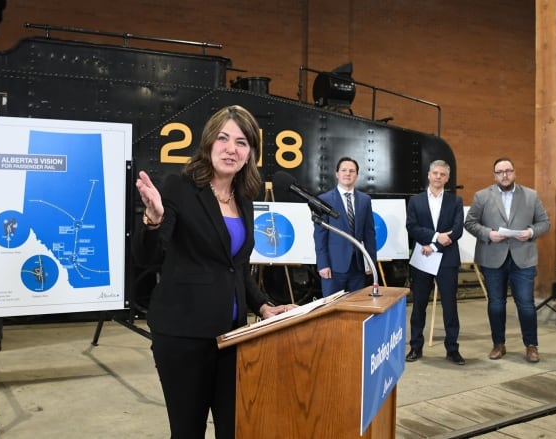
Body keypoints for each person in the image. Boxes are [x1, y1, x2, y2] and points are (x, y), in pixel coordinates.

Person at [132, 105, 291, 439]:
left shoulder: (245, 198)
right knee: (188, 431)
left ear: (250, 154)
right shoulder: (179, 188)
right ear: (208, 143)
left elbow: (236, 268)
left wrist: (263, 305)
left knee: (235, 428)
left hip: (232, 335)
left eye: (242, 142)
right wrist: (154, 218)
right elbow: (147, 257)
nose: (231, 148)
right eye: (223, 138)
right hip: (183, 335)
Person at [464, 157, 550, 363]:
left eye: (508, 171)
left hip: (523, 258)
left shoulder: (531, 195)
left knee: (526, 304)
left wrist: (530, 232)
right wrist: (488, 234)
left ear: (514, 172)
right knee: (496, 304)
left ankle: (531, 345)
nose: (505, 175)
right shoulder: (482, 196)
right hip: (493, 257)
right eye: (500, 172)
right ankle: (498, 344)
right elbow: (470, 223)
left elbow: (544, 222)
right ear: (494, 175)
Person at [405, 160, 466, 365]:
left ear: (447, 178)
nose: (438, 177)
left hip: (446, 259)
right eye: (435, 173)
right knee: (419, 304)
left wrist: (435, 246)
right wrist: (435, 236)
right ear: (429, 175)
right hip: (423, 258)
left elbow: (457, 231)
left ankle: (452, 349)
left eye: (442, 174)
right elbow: (411, 227)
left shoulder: (455, 202)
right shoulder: (415, 200)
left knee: (450, 306)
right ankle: (415, 346)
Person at [313, 156, 377, 297]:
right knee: (331, 310)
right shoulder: (324, 200)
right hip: (333, 267)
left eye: (352, 171)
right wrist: (323, 264)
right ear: (337, 174)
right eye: (344, 170)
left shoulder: (365, 200)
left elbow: (369, 234)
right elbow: (320, 235)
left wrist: (370, 262)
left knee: (355, 308)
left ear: (357, 175)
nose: (347, 174)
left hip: (358, 267)